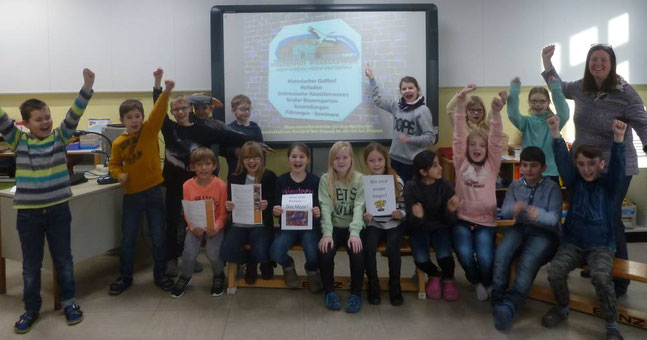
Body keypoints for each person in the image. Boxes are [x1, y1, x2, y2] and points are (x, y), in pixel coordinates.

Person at [541, 44, 647, 296]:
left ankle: (620, 279)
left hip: (616, 164)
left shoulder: (626, 93)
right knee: (585, 213)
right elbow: (560, 86)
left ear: (612, 64)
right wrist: (546, 62)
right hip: (585, 163)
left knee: (609, 217)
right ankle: (595, 260)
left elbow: (643, 124)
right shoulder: (582, 87)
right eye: (593, 59)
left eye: (603, 60)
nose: (598, 64)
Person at [0, 69, 94, 333]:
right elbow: (2, 120)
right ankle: (31, 309)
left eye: (48, 117)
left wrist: (86, 87)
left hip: (58, 211)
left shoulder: (59, 138)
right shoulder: (18, 142)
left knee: (63, 259)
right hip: (28, 215)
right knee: (30, 266)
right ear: (25, 123)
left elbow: (74, 114)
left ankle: (69, 303)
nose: (46, 122)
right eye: (38, 119)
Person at [152, 68, 251, 277]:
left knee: (197, 223)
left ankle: (195, 256)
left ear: (190, 109)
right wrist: (159, 84)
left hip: (196, 187)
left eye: (183, 108)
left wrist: (256, 143)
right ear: (171, 112)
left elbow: (231, 136)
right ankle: (172, 259)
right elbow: (158, 107)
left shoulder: (204, 129)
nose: (179, 112)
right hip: (172, 184)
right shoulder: (168, 128)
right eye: (175, 109)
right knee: (172, 222)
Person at [542, 115, 627, 340]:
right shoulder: (574, 182)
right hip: (573, 243)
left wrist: (618, 140)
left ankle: (611, 324)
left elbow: (619, 170)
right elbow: (561, 160)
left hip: (601, 246)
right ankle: (562, 307)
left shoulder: (610, 186)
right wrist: (555, 133)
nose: (586, 169)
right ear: (576, 165)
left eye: (591, 164)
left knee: (600, 276)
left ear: (601, 164)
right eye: (581, 164)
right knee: (555, 272)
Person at [108, 79, 176, 295]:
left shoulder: (149, 130)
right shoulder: (118, 143)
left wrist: (165, 91)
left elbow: (159, 111)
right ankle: (125, 277)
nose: (134, 120)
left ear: (143, 117)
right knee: (128, 239)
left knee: (158, 237)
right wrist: (119, 175)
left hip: (154, 191)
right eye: (129, 117)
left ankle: (160, 275)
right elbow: (113, 164)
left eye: (138, 116)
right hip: (132, 196)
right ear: (122, 120)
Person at [491, 147, 562, 330]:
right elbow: (505, 212)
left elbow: (554, 219)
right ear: (520, 167)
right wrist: (512, 208)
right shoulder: (515, 185)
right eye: (525, 165)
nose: (528, 169)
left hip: (545, 233)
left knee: (527, 262)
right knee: (501, 255)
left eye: (534, 166)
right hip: (520, 228)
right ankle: (497, 299)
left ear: (543, 167)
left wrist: (537, 214)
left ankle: (509, 306)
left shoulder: (552, 187)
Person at [452, 84, 505, 301]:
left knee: (485, 256)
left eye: (480, 146)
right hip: (462, 220)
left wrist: (495, 113)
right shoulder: (460, 161)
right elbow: (458, 135)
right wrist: (461, 104)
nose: (476, 148)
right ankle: (475, 281)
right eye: (472, 144)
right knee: (464, 254)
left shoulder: (492, 165)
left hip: (486, 221)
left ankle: (487, 281)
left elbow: (495, 140)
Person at [170, 148, 228, 298]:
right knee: (188, 253)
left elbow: (223, 212)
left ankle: (219, 275)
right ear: (192, 167)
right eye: (199, 164)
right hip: (195, 225)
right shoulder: (187, 186)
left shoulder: (221, 185)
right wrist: (192, 226)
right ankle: (185, 276)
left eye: (208, 164)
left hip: (214, 226)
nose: (203, 168)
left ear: (214, 166)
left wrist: (217, 227)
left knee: (213, 253)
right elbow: (187, 210)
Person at [404, 150, 460, 302]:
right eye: (435, 166)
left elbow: (451, 221)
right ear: (423, 171)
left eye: (439, 164)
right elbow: (408, 223)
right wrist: (418, 217)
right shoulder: (411, 187)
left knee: (445, 256)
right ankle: (435, 274)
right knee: (421, 258)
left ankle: (448, 278)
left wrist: (451, 210)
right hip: (419, 229)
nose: (440, 168)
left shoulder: (445, 185)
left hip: (440, 227)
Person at [365, 64, 436, 182]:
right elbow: (378, 101)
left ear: (417, 90)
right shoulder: (397, 106)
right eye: (404, 89)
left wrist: (410, 139)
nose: (407, 91)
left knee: (409, 196)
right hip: (395, 159)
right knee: (396, 193)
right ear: (401, 91)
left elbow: (430, 138)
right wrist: (372, 79)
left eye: (411, 88)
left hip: (413, 163)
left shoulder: (422, 111)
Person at [318, 141, 365, 313]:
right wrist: (327, 234)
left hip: (354, 228)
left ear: (351, 159)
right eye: (336, 158)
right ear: (331, 161)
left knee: (358, 252)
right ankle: (329, 292)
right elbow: (325, 207)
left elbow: (360, 207)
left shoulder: (360, 179)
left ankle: (356, 294)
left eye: (345, 157)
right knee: (325, 251)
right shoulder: (325, 179)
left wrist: (354, 233)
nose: (341, 161)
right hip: (333, 227)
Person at [270, 142, 323, 292]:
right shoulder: (281, 181)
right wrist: (276, 211)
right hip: (288, 227)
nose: (297, 160)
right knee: (275, 252)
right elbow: (276, 207)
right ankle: (288, 266)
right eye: (294, 156)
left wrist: (318, 212)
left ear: (308, 160)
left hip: (310, 227)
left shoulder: (315, 181)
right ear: (288, 160)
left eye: (302, 156)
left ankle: (312, 271)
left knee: (313, 252)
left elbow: (319, 206)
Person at [221, 141, 276, 284]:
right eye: (247, 158)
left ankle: (261, 261)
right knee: (226, 251)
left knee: (260, 249)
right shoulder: (234, 176)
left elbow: (276, 200)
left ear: (261, 158)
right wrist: (228, 206)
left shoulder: (269, 176)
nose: (251, 161)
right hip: (239, 223)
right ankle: (250, 261)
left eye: (255, 157)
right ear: (242, 160)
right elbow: (229, 200)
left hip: (260, 223)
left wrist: (268, 203)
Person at [361, 142, 406, 306]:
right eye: (371, 161)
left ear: (385, 160)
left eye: (379, 159)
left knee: (393, 249)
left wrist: (400, 213)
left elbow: (404, 206)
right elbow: (362, 207)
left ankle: (395, 285)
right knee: (369, 247)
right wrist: (365, 216)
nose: (376, 164)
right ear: (366, 163)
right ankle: (373, 284)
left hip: (393, 224)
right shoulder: (364, 183)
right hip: (374, 224)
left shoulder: (397, 181)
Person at [507, 76, 570, 183]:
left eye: (542, 101)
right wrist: (514, 89)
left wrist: (555, 88)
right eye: (533, 101)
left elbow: (564, 113)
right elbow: (513, 114)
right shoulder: (526, 123)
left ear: (548, 102)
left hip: (550, 173)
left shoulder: (553, 122)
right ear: (529, 102)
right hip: (529, 173)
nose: (537, 105)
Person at [446, 84, 510, 152]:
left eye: (479, 110)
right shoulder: (461, 125)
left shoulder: (487, 125)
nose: (476, 113)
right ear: (466, 111)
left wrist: (502, 100)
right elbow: (450, 109)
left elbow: (494, 111)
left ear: (483, 111)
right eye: (472, 110)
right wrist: (462, 93)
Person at [224, 94, 264, 178]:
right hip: (236, 172)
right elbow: (225, 150)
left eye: (248, 109)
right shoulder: (229, 129)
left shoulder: (255, 128)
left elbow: (262, 151)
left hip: (254, 173)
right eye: (242, 109)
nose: (246, 112)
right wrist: (236, 151)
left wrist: (262, 169)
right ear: (233, 111)